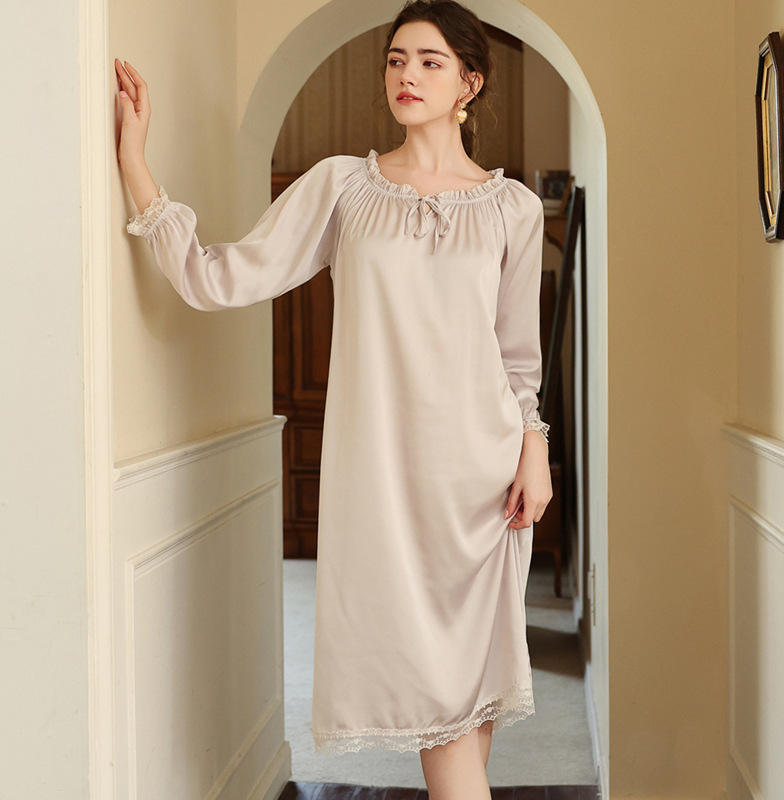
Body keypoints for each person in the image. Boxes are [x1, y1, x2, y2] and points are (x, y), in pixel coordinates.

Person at [115, 0, 552, 796]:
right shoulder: (343, 187)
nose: (406, 75)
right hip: (385, 487)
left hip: (482, 486)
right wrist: (135, 162)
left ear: (470, 83)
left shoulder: (512, 208)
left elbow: (518, 356)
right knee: (444, 717)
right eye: (395, 59)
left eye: (429, 61)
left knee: (465, 713)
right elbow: (220, 277)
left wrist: (536, 450)